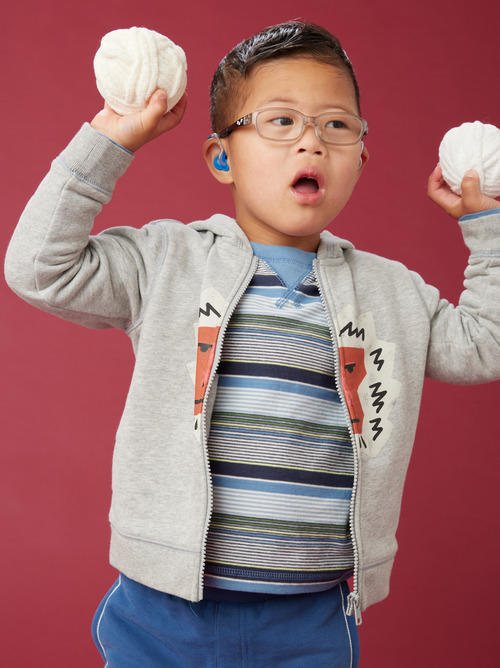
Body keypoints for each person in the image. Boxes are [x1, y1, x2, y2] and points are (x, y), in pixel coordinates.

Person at [5, 20, 500, 668]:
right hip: (162, 613)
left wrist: (487, 230)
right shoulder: (167, 262)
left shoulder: (390, 294)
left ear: (361, 159)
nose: (312, 144)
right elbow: (38, 268)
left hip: (310, 619)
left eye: (336, 126)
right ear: (222, 157)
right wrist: (110, 140)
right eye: (280, 122)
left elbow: (483, 345)